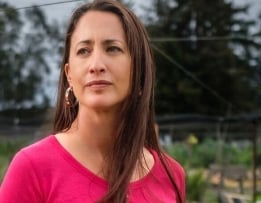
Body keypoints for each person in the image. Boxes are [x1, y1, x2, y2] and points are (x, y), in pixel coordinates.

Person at [0, 0, 185, 202]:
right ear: (69, 75)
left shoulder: (171, 175)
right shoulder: (32, 168)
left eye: (113, 48)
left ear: (139, 71)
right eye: (84, 51)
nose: (96, 65)